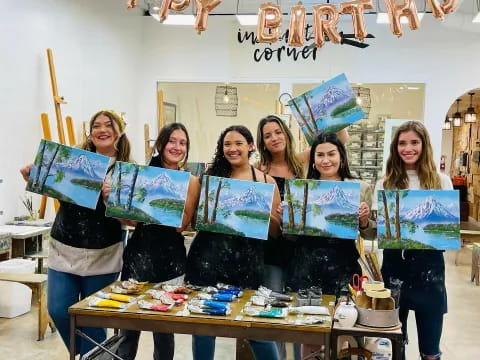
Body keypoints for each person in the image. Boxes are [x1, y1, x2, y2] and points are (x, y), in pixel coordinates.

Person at [20, 110, 132, 356]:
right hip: (64, 248)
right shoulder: (73, 160)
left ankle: (90, 356)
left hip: (104, 253)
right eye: (96, 126)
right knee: (59, 308)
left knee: (93, 318)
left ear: (119, 131)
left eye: (108, 125)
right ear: (90, 133)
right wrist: (35, 176)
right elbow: (53, 189)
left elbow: (131, 220)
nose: (102, 130)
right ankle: (88, 356)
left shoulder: (128, 171)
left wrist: (112, 199)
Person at [255, 116, 349, 359]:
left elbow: (337, 140)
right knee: (275, 311)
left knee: (302, 312)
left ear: (286, 133)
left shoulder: (301, 163)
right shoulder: (258, 170)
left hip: (302, 249)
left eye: (278, 132)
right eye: (267, 135)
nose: (274, 138)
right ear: (262, 142)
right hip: (273, 248)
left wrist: (327, 107)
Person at [186, 125, 282, 360]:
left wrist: (260, 214)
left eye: (238, 143)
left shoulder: (266, 181)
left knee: (255, 325)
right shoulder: (210, 178)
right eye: (227, 144)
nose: (232, 149)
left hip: (248, 262)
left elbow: (276, 233)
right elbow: (194, 222)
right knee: (204, 328)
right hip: (208, 260)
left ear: (250, 146)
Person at [284, 132, 376, 358]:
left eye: (331, 154)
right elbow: (290, 238)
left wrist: (364, 221)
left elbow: (372, 234)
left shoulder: (359, 188)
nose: (326, 160)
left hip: (343, 267)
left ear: (341, 157)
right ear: (313, 159)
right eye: (320, 155)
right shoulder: (303, 189)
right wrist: (288, 220)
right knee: (309, 331)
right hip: (305, 267)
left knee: (342, 328)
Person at [116, 123, 200, 360]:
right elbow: (129, 220)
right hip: (138, 254)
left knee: (163, 329)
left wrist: (166, 203)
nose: (177, 147)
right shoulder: (141, 173)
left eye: (183, 143)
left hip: (170, 259)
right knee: (129, 325)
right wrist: (115, 200)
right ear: (161, 144)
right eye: (172, 141)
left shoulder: (190, 181)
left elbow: (182, 224)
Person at [373, 121, 452, 360]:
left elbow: (446, 232)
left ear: (424, 145)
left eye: (414, 142)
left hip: (430, 271)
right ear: (395, 147)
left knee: (430, 350)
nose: (408, 148)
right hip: (395, 268)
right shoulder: (385, 183)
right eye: (402, 143)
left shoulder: (441, 181)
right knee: (393, 344)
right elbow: (379, 231)